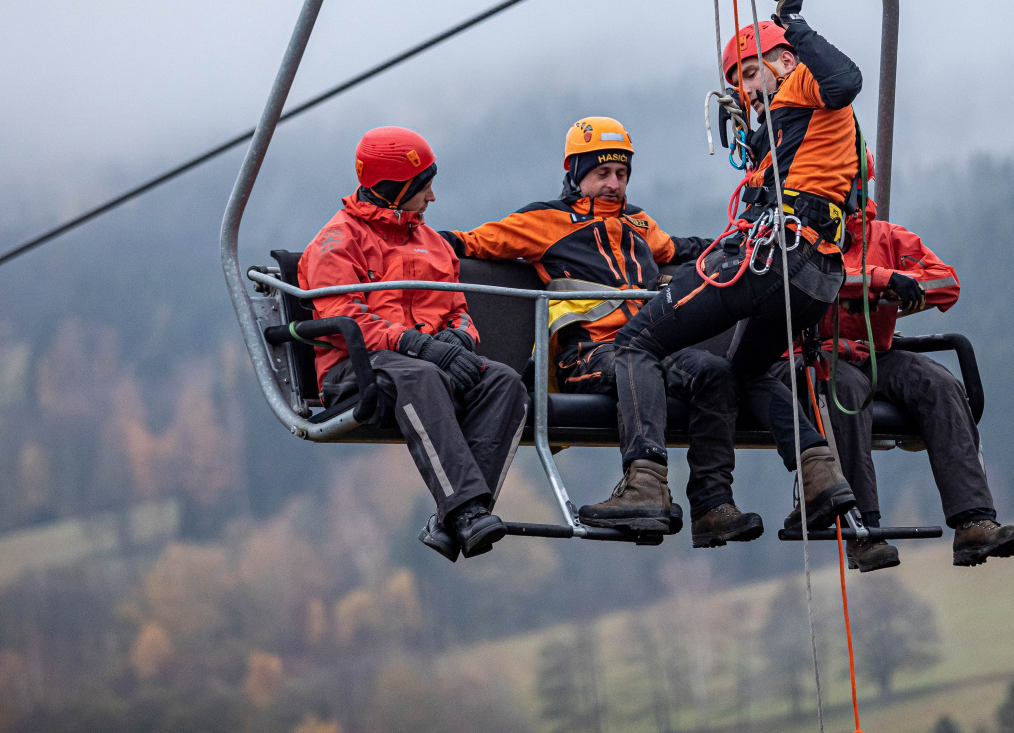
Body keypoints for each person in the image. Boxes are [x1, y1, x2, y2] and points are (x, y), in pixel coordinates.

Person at [444, 118, 833, 546]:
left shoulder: (640, 224)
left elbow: (680, 248)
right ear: (575, 172)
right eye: (602, 173)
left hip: (651, 349)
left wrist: (749, 244)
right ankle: (644, 484)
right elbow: (467, 243)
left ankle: (713, 503)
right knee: (639, 359)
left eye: (621, 173)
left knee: (715, 372)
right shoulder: (544, 221)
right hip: (589, 355)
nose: (614, 184)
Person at [611, 0, 860, 536]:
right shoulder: (795, 128)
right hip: (814, 272)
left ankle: (645, 480)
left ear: (784, 60)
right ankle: (817, 475)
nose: (745, 89)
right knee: (747, 371)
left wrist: (794, 24)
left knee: (636, 342)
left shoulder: (802, 84)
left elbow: (844, 80)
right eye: (737, 80)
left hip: (775, 257)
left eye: (750, 73)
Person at [298, 126, 531, 562]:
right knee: (421, 377)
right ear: (393, 188)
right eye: (423, 187)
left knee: (505, 382)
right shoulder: (337, 242)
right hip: (359, 369)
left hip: (425, 366)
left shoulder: (433, 243)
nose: (432, 197)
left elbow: (458, 308)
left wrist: (458, 337)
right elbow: (343, 319)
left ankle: (453, 519)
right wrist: (419, 346)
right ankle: (465, 511)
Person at [804, 165, 1014, 571]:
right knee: (847, 392)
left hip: (876, 354)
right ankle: (863, 531)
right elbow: (816, 278)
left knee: (938, 383)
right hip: (820, 356)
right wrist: (880, 280)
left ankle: (973, 520)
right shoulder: (800, 238)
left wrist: (908, 285)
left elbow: (946, 283)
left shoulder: (885, 238)